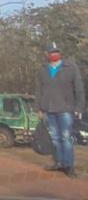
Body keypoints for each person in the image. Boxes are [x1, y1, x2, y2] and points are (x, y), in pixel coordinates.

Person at [35, 46, 85, 178]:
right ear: (47, 54)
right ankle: (59, 162)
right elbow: (39, 90)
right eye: (51, 52)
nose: (54, 54)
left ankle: (69, 166)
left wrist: (79, 107)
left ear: (60, 53)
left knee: (66, 138)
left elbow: (79, 89)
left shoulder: (70, 67)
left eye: (56, 52)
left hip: (66, 109)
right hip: (48, 109)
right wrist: (38, 108)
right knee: (55, 138)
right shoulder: (43, 69)